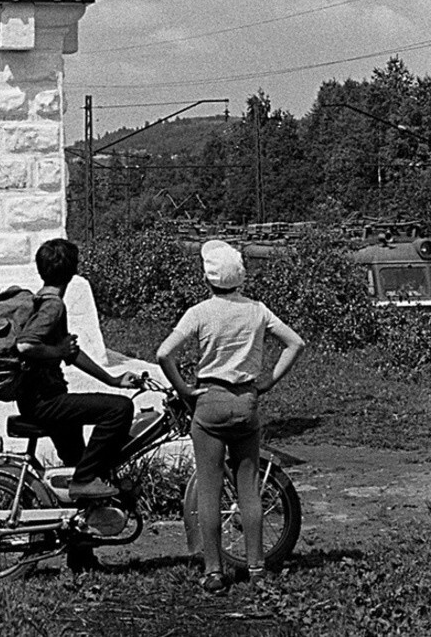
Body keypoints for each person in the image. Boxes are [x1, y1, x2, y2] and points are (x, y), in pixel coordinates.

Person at [157, 239, 305, 595]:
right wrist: (267, 381)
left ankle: (213, 571)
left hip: (209, 401)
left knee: (209, 490)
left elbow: (164, 353)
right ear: (241, 277)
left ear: (207, 279)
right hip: (246, 402)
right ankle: (256, 568)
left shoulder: (199, 312)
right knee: (248, 488)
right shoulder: (257, 310)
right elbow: (295, 343)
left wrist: (184, 389)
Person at [15, 238, 140, 502]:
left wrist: (113, 380)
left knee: (79, 462)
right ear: (73, 271)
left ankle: (83, 515)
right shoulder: (53, 306)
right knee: (120, 409)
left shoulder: (43, 300)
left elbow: (72, 353)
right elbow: (26, 345)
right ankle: (84, 480)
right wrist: (58, 351)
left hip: (43, 399)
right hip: (46, 402)